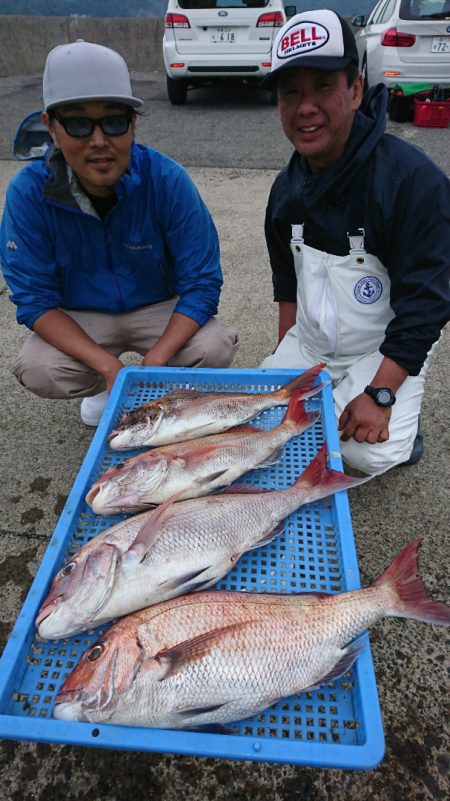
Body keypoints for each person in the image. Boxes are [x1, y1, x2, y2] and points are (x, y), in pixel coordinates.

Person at [0, 40, 238, 426]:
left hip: (157, 307)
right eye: (77, 123)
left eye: (114, 121)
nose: (98, 141)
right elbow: (34, 299)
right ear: (51, 128)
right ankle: (107, 391)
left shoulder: (167, 180)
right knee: (38, 366)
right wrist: (110, 369)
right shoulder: (28, 193)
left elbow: (202, 283)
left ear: (133, 123)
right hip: (82, 314)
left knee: (214, 346)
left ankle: (153, 392)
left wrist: (155, 359)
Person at [260, 9, 450, 475]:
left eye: (322, 86)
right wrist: (287, 361)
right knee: (264, 423)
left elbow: (428, 303)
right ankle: (339, 393)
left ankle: (403, 418)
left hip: (378, 349)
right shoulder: (285, 191)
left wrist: (381, 394)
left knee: (365, 453)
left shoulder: (412, 182)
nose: (306, 107)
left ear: (356, 88)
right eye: (291, 93)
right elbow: (287, 283)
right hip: (311, 344)